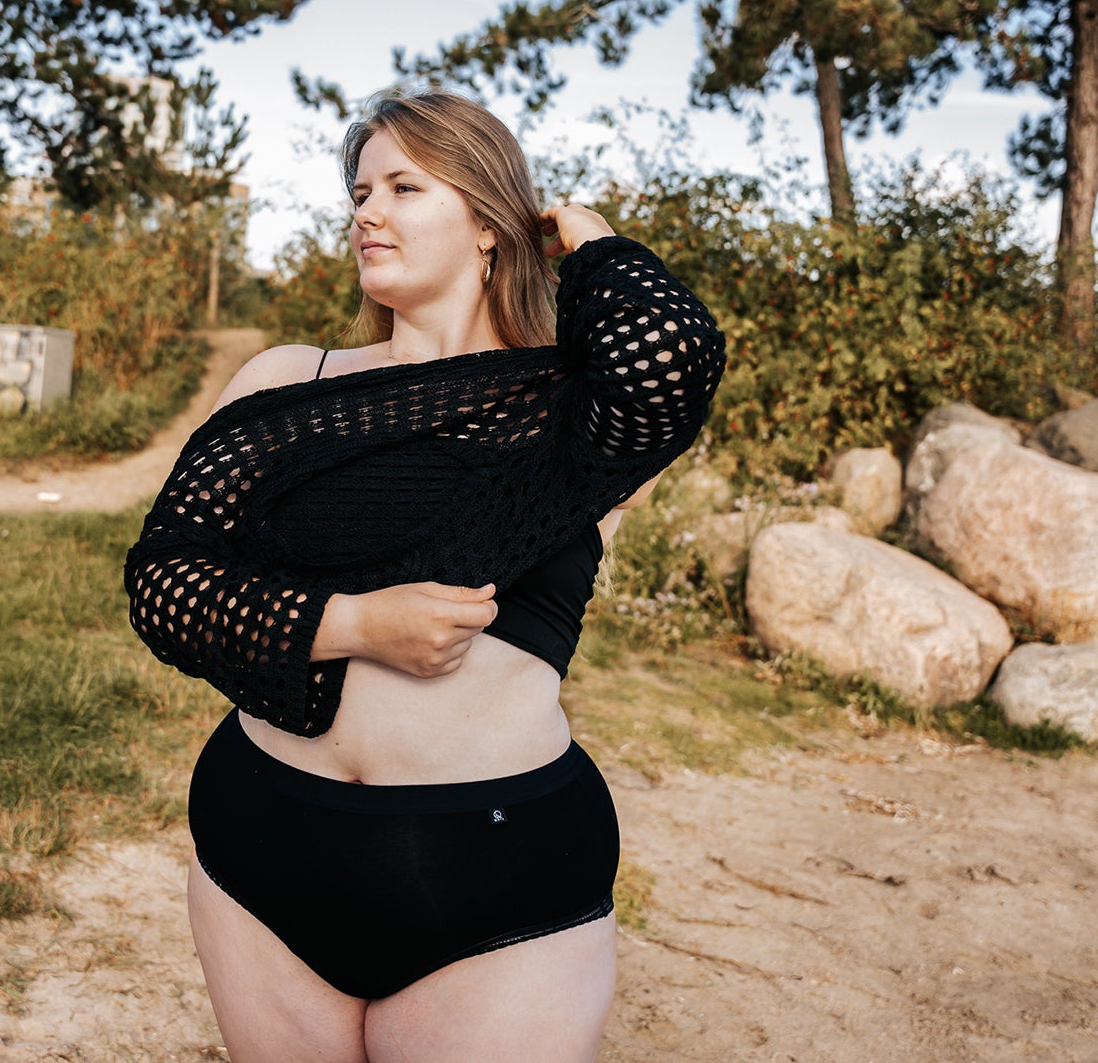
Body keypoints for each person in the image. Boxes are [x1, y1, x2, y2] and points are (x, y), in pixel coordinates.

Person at [124, 85, 725, 1062]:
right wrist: (351, 627)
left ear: (488, 221)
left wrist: (588, 236)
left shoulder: (573, 418)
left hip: (496, 870)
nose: (366, 211)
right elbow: (166, 582)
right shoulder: (288, 382)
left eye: (405, 186)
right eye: (360, 190)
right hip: (265, 841)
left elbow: (671, 356)